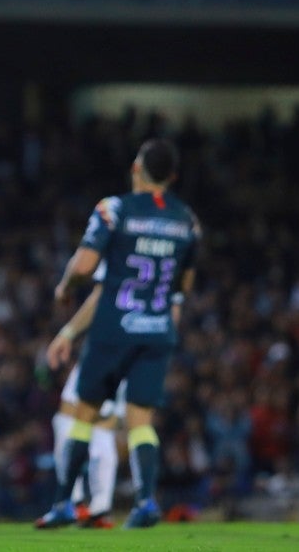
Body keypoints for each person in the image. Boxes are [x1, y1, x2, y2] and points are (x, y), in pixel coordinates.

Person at [34, 138, 201, 530]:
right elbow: (185, 285)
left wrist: (64, 286)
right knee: (140, 420)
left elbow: (85, 266)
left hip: (114, 330)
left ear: (135, 168)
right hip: (157, 330)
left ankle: (62, 503)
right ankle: (145, 502)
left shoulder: (114, 210)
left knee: (84, 414)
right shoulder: (187, 220)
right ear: (172, 177)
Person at [43, 280, 125, 529]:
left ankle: (82, 503)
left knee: (82, 424)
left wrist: (66, 286)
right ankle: (92, 505)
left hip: (111, 354)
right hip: (136, 352)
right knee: (92, 426)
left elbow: (94, 287)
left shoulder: (116, 251)